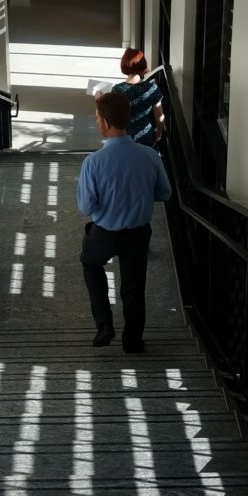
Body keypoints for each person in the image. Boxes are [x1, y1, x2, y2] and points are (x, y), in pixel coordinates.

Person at [77, 91, 172, 353]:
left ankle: (104, 325)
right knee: (133, 285)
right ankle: (132, 340)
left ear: (105, 122)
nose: (97, 122)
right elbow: (165, 193)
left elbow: (86, 206)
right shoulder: (150, 156)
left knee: (90, 262)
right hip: (138, 233)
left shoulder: (93, 163)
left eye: (97, 118)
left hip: (105, 232)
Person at [112, 48, 165, 148]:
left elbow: (114, 118)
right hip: (146, 137)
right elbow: (160, 117)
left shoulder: (117, 90)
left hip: (124, 137)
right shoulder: (152, 88)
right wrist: (159, 130)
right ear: (142, 65)